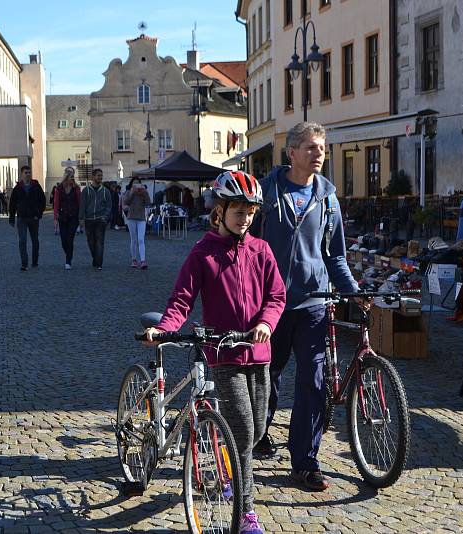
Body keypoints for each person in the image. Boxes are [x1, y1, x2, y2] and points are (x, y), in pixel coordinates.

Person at [145, 170, 286, 534]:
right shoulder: (203, 253)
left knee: (255, 430)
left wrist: (267, 324)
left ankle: (230, 474)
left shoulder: (261, 250)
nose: (246, 218)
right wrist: (164, 329)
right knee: (241, 432)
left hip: (259, 352)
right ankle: (246, 513)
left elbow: (276, 296)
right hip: (224, 355)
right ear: (219, 211)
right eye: (239, 210)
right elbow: (182, 299)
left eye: (251, 211)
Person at [253, 121, 364, 492]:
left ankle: (304, 461)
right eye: (312, 148)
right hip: (270, 303)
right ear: (292, 152)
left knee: (313, 381)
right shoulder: (267, 192)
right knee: (267, 375)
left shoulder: (327, 198)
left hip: (314, 302)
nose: (319, 154)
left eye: (322, 148)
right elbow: (247, 247)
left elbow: (336, 256)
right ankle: (257, 432)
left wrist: (353, 292)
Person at [8, 165, 46, 271]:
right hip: (22, 218)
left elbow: (42, 200)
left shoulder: (36, 186)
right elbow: (12, 204)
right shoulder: (17, 188)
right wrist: (11, 218)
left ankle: (35, 261)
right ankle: (24, 263)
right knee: (22, 240)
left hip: (34, 218)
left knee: (35, 241)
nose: (28, 174)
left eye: (29, 172)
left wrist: (39, 214)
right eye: (26, 172)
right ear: (22, 174)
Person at [79, 168, 110, 270]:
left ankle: (99, 263)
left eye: (101, 175)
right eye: (98, 175)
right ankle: (95, 258)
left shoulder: (105, 191)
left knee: (100, 241)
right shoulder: (86, 191)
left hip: (100, 219)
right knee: (91, 242)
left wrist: (105, 216)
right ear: (93, 177)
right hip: (89, 220)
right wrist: (81, 218)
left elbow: (109, 206)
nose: (100, 177)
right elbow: (82, 205)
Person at [54, 168, 81, 270]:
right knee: (63, 240)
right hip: (63, 217)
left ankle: (68, 260)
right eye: (71, 177)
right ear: (66, 178)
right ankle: (68, 253)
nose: (72, 179)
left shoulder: (76, 188)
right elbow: (56, 203)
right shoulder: (59, 188)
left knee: (70, 239)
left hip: (74, 217)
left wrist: (81, 217)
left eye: (73, 178)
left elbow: (80, 202)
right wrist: (55, 217)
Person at [122, 180, 151, 269]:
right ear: (132, 184)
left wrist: (144, 192)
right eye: (135, 183)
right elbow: (126, 202)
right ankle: (134, 259)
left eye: (138, 183)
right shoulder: (128, 192)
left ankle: (143, 260)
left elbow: (148, 203)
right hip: (131, 217)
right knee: (133, 239)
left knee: (141, 239)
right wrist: (132, 192)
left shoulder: (143, 192)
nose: (137, 185)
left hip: (141, 218)